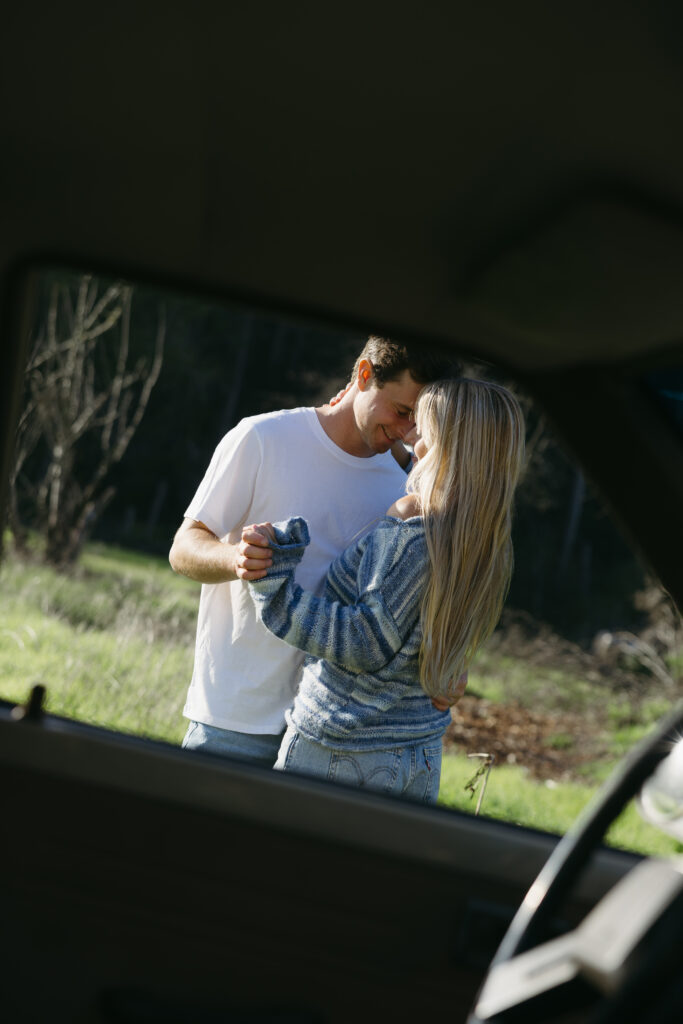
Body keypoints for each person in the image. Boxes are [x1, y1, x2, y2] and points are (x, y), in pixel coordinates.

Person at [169, 336, 459, 767]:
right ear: (364, 374)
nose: (406, 432)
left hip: (331, 739)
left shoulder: (408, 487)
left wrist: (450, 659)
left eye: (418, 420)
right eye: (401, 412)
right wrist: (236, 559)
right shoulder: (262, 437)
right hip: (235, 721)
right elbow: (183, 548)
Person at [244, 378, 525, 802]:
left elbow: (365, 641)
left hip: (344, 747)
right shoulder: (485, 543)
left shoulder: (414, 528)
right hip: (421, 752)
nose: (410, 437)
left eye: (421, 428)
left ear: (442, 446)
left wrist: (275, 589)